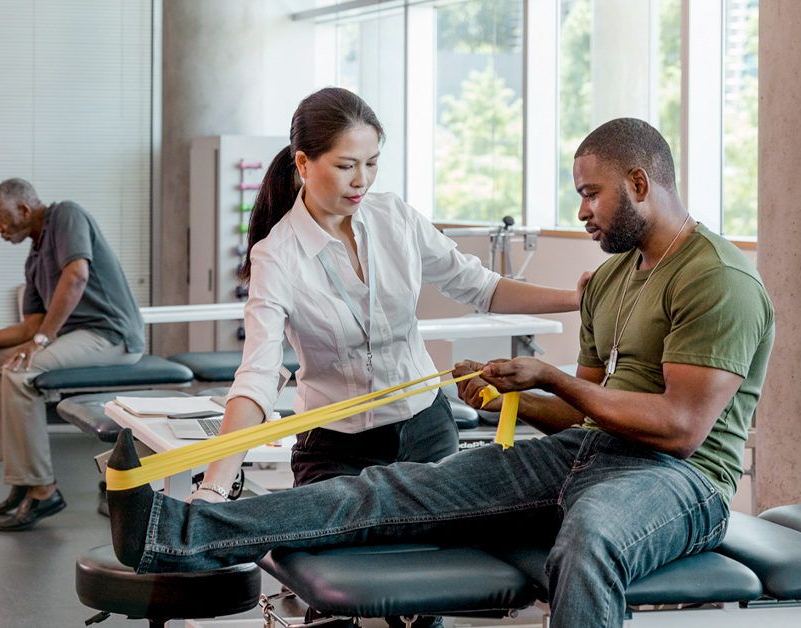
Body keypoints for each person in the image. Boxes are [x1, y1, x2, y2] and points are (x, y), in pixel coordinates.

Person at [105, 118, 774, 627]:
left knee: (589, 541)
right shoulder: (612, 280)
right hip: (590, 452)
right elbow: (586, 409)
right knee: (390, 489)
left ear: (639, 185)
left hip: (682, 480)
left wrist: (549, 377)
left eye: (591, 195)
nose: (581, 213)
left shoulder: (715, 279)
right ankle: (175, 532)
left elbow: (682, 429)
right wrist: (501, 395)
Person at [191, 87, 586, 510]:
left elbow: (481, 287)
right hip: (336, 448)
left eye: (372, 163)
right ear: (303, 162)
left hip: (427, 429)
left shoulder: (394, 218)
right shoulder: (277, 256)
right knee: (330, 566)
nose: (361, 180)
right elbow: (258, 376)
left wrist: (576, 299)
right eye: (346, 166)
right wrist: (216, 484)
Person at [0, 178, 146, 532]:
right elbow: (27, 327)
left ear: (24, 208)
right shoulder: (34, 260)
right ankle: (22, 477)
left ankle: (43, 489)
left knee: (20, 374)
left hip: (112, 336)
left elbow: (76, 276)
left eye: (0, 219)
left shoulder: (66, 215)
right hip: (79, 337)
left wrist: (42, 340)